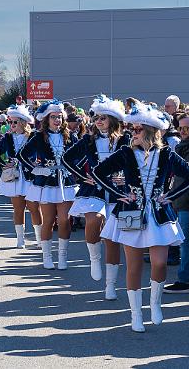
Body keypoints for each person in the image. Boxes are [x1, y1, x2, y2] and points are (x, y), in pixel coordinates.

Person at [93, 102, 189, 333]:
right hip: (131, 213)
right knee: (134, 266)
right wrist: (120, 194)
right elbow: (98, 172)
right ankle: (136, 314)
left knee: (160, 263)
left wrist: (170, 196)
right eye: (132, 129)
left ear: (151, 131)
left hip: (159, 214)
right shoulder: (125, 153)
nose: (133, 133)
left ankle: (155, 303)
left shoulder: (167, 154)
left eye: (138, 129)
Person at [62, 95, 129, 299]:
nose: (98, 121)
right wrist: (84, 177)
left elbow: (136, 162)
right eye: (96, 118)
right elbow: (66, 159)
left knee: (112, 240)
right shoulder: (88, 140)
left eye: (103, 118)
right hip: (94, 190)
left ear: (113, 119)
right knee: (93, 219)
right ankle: (93, 257)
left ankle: (110, 286)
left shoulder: (125, 139)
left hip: (118, 192)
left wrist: (125, 177)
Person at [18, 100, 78, 270]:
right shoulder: (38, 137)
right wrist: (36, 169)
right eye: (53, 117)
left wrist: (76, 170)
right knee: (49, 221)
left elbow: (80, 156)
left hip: (66, 182)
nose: (57, 120)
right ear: (46, 119)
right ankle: (47, 256)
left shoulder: (70, 136)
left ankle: (63, 256)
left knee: (65, 220)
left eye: (59, 117)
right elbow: (22, 155)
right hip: (47, 182)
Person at [164, 111, 189, 294]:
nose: (183, 131)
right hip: (184, 200)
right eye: (180, 128)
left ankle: (187, 279)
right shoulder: (183, 145)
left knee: (188, 243)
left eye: (187, 128)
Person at [0, 104, 42, 248]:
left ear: (22, 122)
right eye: (10, 121)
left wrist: (39, 163)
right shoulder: (8, 138)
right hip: (14, 177)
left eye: (14, 122)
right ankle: (20, 239)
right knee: (18, 208)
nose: (11, 124)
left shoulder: (33, 136)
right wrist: (3, 164)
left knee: (34, 208)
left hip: (31, 177)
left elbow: (43, 152)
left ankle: (39, 238)